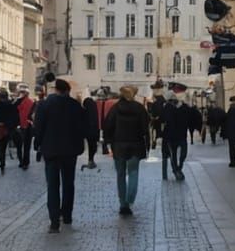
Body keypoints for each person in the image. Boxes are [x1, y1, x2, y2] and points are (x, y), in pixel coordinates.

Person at [33, 78, 85, 232]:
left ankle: (54, 221)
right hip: (70, 151)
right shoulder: (75, 106)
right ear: (67, 91)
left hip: (51, 150)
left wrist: (38, 144)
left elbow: (39, 126)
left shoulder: (44, 105)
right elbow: (81, 128)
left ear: (56, 90)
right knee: (69, 184)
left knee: (53, 186)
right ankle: (67, 215)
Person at [103, 85, 151, 217]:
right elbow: (145, 129)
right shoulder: (140, 108)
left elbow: (107, 125)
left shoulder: (115, 108)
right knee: (134, 172)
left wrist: (107, 142)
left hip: (119, 146)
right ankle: (130, 200)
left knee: (120, 174)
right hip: (136, 145)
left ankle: (122, 203)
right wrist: (147, 146)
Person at [159, 95, 192, 180]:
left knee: (183, 154)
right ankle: (176, 170)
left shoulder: (184, 108)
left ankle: (178, 167)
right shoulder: (167, 108)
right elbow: (162, 120)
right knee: (173, 154)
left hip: (181, 135)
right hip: (171, 136)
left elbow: (190, 118)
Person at [0, 89, 17, 173]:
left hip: (0, 129)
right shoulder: (11, 106)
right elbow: (14, 118)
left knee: (1, 148)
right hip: (9, 128)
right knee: (9, 144)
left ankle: (2, 162)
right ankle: (20, 160)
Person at [15, 87, 35, 169]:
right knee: (27, 145)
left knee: (19, 146)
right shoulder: (31, 102)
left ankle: (21, 162)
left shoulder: (17, 102)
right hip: (28, 126)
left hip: (19, 126)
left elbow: (15, 113)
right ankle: (25, 163)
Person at [81, 95, 100, 169]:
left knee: (90, 146)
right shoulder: (95, 110)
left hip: (87, 132)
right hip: (94, 131)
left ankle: (90, 161)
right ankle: (91, 160)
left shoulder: (84, 111)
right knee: (93, 147)